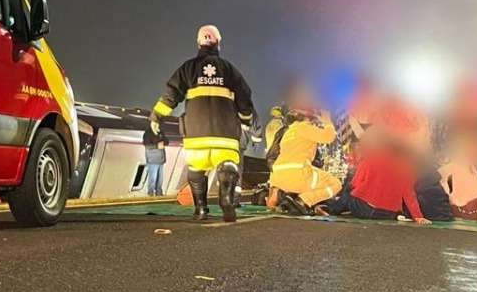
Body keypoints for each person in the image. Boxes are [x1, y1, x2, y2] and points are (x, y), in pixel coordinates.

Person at [150, 25, 255, 222]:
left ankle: (200, 209)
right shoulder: (229, 69)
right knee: (228, 165)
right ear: (219, 43)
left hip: (196, 134)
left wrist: (157, 115)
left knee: (196, 170)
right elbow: (244, 96)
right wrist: (246, 119)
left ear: (198, 43)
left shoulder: (187, 68)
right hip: (224, 134)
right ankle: (226, 200)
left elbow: (171, 94)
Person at [268, 82, 342, 214]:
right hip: (299, 174)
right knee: (335, 184)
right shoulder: (305, 128)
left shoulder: (289, 131)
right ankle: (303, 200)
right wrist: (327, 121)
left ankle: (281, 196)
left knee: (312, 174)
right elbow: (329, 137)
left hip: (277, 176)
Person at [321, 141, 432, 224]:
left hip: (363, 209)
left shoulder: (371, 158)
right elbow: (409, 195)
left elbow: (355, 183)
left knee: (348, 192)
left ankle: (331, 210)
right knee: (352, 196)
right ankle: (333, 208)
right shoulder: (406, 168)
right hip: (387, 214)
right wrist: (418, 217)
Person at [143, 127, 167, 197]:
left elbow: (167, 141)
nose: (156, 125)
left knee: (160, 179)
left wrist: (163, 140)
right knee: (152, 178)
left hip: (161, 159)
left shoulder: (160, 133)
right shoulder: (147, 133)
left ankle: (159, 193)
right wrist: (157, 146)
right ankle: (150, 194)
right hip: (152, 160)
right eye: (155, 123)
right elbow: (147, 146)